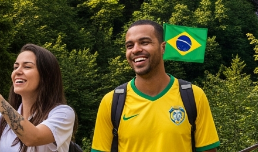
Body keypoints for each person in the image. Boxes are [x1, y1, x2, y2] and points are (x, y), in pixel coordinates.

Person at [90, 20, 220, 152]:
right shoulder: (112, 102)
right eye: (129, 46)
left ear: (163, 47)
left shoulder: (193, 96)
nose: (135, 49)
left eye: (144, 43)